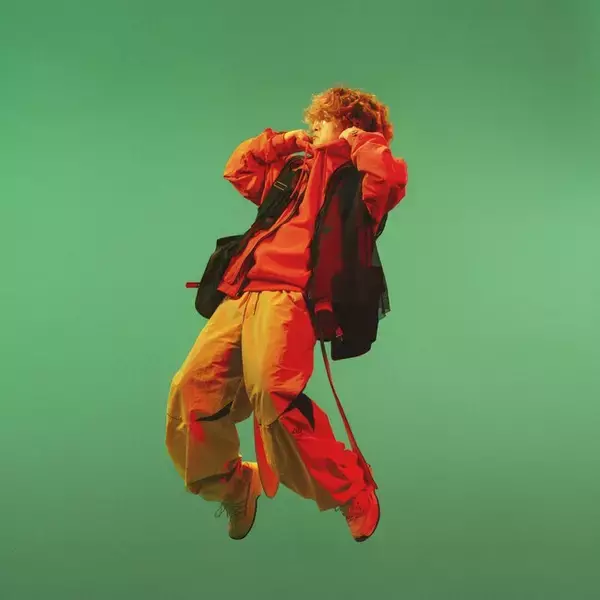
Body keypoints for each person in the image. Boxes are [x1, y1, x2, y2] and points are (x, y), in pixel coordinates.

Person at [165, 86, 408, 543]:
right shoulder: (295, 170)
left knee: (273, 396)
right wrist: (281, 142)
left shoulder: (357, 178)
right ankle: (236, 486)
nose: (312, 126)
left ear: (350, 124)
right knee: (191, 388)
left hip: (291, 296)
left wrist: (359, 141)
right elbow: (239, 169)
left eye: (323, 119)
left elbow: (387, 180)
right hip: (242, 292)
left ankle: (350, 490)